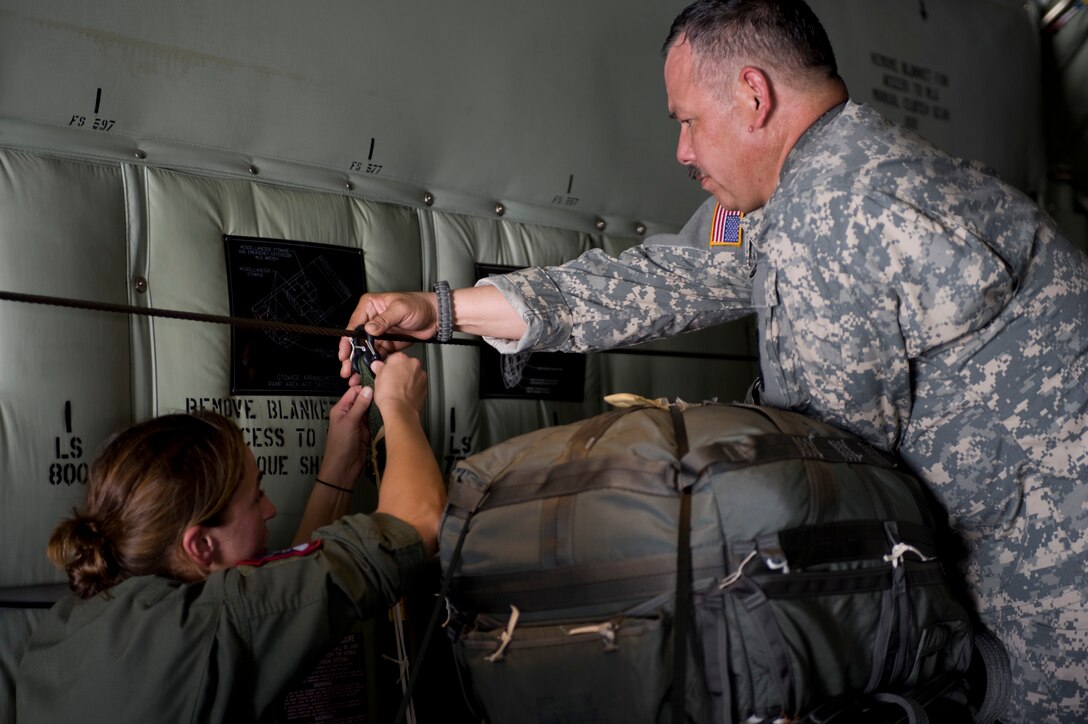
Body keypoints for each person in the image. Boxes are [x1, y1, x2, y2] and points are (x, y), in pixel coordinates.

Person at [338, 1, 1088, 721]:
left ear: (753, 95)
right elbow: (662, 278)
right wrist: (443, 309)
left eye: (689, 121)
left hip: (1048, 613)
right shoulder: (842, 170)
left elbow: (822, 496)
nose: (683, 151)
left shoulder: (833, 221)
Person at [15, 353, 445, 723]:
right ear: (200, 545)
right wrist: (399, 405)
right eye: (256, 496)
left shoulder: (65, 628)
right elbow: (419, 524)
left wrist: (338, 471)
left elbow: (280, 594)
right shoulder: (201, 629)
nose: (271, 509)